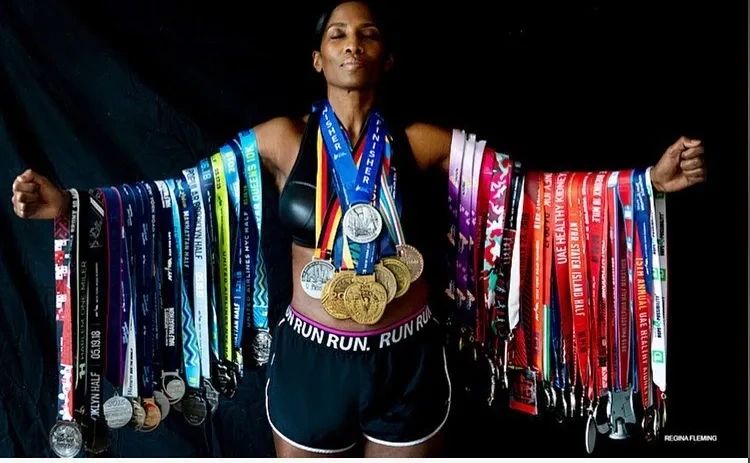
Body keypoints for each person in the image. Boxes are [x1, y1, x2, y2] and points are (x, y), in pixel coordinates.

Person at [10, 1, 706, 457]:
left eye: (367, 33)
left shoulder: (422, 143)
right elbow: (180, 198)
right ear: (318, 59)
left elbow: (531, 197)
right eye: (337, 34)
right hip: (311, 361)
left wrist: (643, 183)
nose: (352, 43)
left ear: (386, 58)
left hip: (407, 361)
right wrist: (71, 206)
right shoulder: (282, 141)